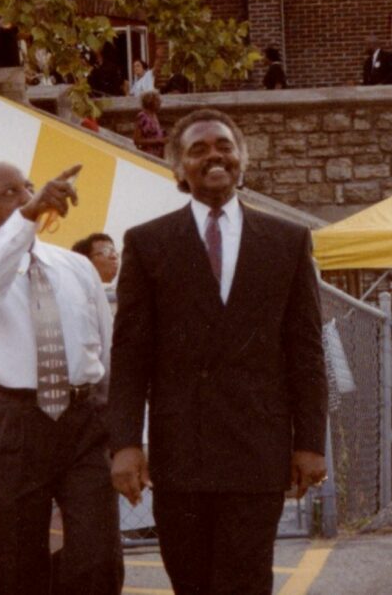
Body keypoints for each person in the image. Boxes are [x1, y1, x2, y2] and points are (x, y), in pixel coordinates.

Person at [108, 108, 328, 595]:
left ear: (241, 160)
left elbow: (306, 351)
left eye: (224, 146)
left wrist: (311, 442)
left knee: (246, 581)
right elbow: (129, 354)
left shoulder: (287, 241)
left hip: (257, 450)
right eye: (199, 149)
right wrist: (124, 443)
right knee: (191, 581)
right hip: (182, 452)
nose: (214, 157)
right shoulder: (147, 244)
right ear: (178, 168)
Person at [0, 162, 121, 595]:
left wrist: (122, 431)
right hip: (17, 422)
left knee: (97, 555)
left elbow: (106, 346)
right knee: (18, 556)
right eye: (10, 194)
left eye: (27, 188)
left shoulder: (76, 269)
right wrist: (26, 220)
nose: (27, 197)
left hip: (84, 420)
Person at [133, 90, 167, 159]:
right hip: (148, 156)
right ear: (150, 102)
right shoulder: (142, 116)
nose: (160, 103)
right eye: (157, 101)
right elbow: (137, 140)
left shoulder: (154, 115)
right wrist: (158, 141)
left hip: (158, 155)